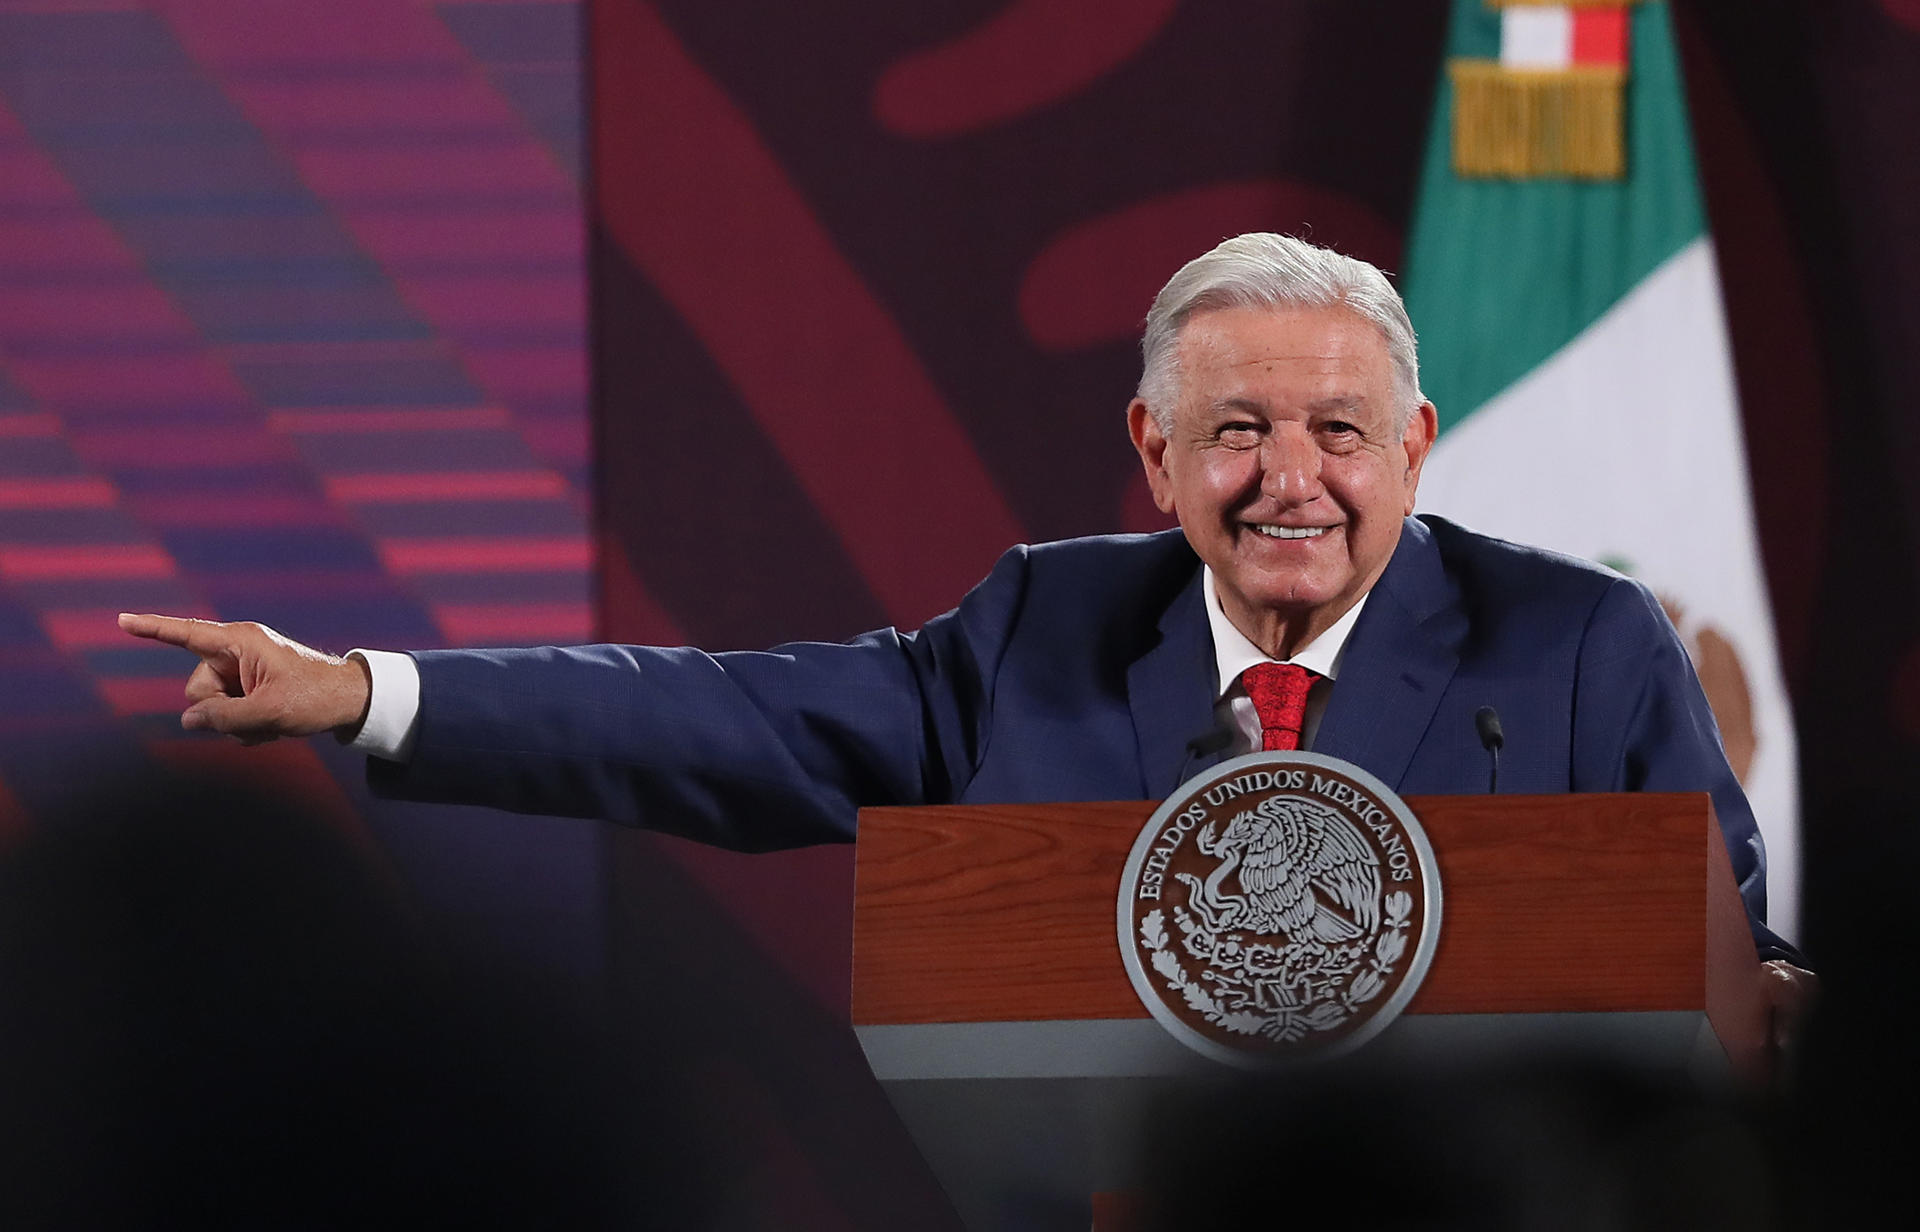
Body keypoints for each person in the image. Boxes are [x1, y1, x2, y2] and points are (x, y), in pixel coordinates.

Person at [120, 233, 1813, 1041]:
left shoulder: (1578, 646)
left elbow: (1730, 968)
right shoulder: (1040, 631)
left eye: (1341, 431)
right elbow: (717, 720)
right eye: (1237, 430)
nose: (1290, 476)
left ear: (1418, 446)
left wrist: (1775, 1009)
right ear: (1154, 453)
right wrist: (361, 691)